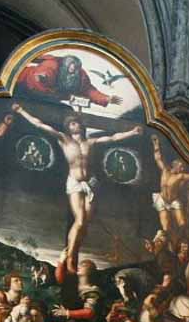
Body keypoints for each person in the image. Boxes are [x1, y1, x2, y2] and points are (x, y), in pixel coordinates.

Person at [11, 104, 143, 274]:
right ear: (68, 127)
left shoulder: (90, 142)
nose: (76, 125)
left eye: (77, 123)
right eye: (72, 123)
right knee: (80, 221)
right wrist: (21, 111)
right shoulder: (64, 139)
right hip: (75, 183)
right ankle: (71, 258)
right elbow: (40, 124)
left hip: (91, 183)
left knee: (84, 224)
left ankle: (73, 253)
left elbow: (112, 138)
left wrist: (132, 132)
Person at [150, 134, 189, 243]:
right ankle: (167, 242)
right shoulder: (165, 170)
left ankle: (182, 241)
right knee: (165, 227)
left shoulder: (180, 176)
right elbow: (158, 158)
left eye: (183, 167)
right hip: (162, 200)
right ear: (175, 166)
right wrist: (156, 144)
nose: (182, 169)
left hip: (173, 201)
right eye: (181, 167)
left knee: (182, 223)